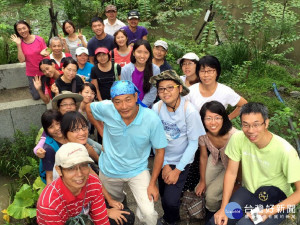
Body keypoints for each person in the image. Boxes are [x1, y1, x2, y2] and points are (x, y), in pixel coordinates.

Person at [86, 80, 168, 225]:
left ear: (136, 97)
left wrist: (153, 183)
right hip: (109, 169)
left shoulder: (151, 119)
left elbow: (160, 151)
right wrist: (101, 130)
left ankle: (137, 218)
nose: (123, 106)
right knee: (114, 206)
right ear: (112, 102)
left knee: (149, 215)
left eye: (128, 100)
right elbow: (88, 108)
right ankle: (123, 203)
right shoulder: (106, 108)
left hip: (138, 170)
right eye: (117, 102)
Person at [210, 102, 300, 225]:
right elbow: (231, 173)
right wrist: (223, 207)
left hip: (275, 201)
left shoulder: (285, 151)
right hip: (248, 192)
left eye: (256, 125)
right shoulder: (238, 138)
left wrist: (269, 212)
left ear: (266, 123)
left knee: (244, 224)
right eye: (245, 125)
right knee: (219, 222)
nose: (251, 131)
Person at [149, 70, 205, 225]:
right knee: (162, 193)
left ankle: (171, 220)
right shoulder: (157, 108)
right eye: (161, 89)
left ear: (180, 88)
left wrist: (177, 170)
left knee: (170, 200)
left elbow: (193, 143)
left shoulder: (190, 111)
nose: (166, 92)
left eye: (170, 87)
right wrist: (165, 164)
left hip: (183, 160)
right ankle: (169, 216)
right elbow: (155, 139)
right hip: (163, 157)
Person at [60, 111, 135, 225]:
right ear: (65, 134)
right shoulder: (66, 158)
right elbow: (75, 205)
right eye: (75, 130)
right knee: (126, 217)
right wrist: (106, 211)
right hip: (77, 216)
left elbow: (94, 179)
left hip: (90, 202)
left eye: (83, 127)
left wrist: (110, 200)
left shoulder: (81, 149)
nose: (82, 132)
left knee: (124, 211)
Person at [36, 142, 110, 225]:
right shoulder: (49, 204)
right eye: (71, 168)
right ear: (59, 170)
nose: (80, 174)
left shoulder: (93, 183)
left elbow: (102, 220)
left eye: (83, 165)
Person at [195, 101, 238, 222]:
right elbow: (203, 156)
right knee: (200, 188)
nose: (213, 123)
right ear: (202, 120)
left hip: (232, 167)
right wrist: (202, 181)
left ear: (224, 118)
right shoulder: (202, 133)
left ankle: (211, 218)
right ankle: (211, 207)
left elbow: (239, 166)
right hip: (215, 159)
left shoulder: (234, 136)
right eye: (208, 118)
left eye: (217, 118)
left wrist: (237, 183)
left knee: (211, 196)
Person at [185, 55, 247, 119]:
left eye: (210, 71)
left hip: (218, 128)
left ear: (217, 72)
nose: (206, 75)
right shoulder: (191, 91)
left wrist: (227, 119)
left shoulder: (225, 91)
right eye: (202, 71)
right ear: (198, 73)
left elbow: (244, 105)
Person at [10, 20, 49, 100]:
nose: (22, 31)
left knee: (47, 94)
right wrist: (18, 45)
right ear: (17, 31)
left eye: (24, 28)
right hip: (32, 73)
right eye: (19, 29)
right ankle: (33, 88)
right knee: (36, 97)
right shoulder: (20, 42)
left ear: (28, 28)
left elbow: (47, 53)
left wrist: (44, 53)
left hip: (44, 71)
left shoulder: (39, 39)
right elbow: (21, 60)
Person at [121, 39, 160, 107]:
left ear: (149, 54)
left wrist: (140, 107)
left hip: (147, 108)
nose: (142, 56)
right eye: (139, 52)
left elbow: (152, 92)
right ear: (133, 53)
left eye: (146, 52)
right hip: (130, 107)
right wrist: (133, 107)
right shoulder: (125, 70)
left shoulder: (155, 70)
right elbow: (125, 91)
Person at [39, 109, 67, 184]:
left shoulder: (69, 135)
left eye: (58, 123)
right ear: (46, 130)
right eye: (51, 127)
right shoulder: (49, 149)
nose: (57, 128)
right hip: (59, 179)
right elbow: (50, 177)